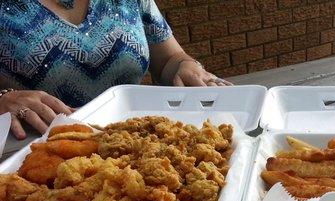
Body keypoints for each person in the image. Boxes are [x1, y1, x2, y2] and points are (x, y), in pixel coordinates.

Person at [0, 0, 229, 139]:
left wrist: (186, 66)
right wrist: (3, 101)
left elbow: (170, 58)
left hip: (138, 140)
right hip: (39, 152)